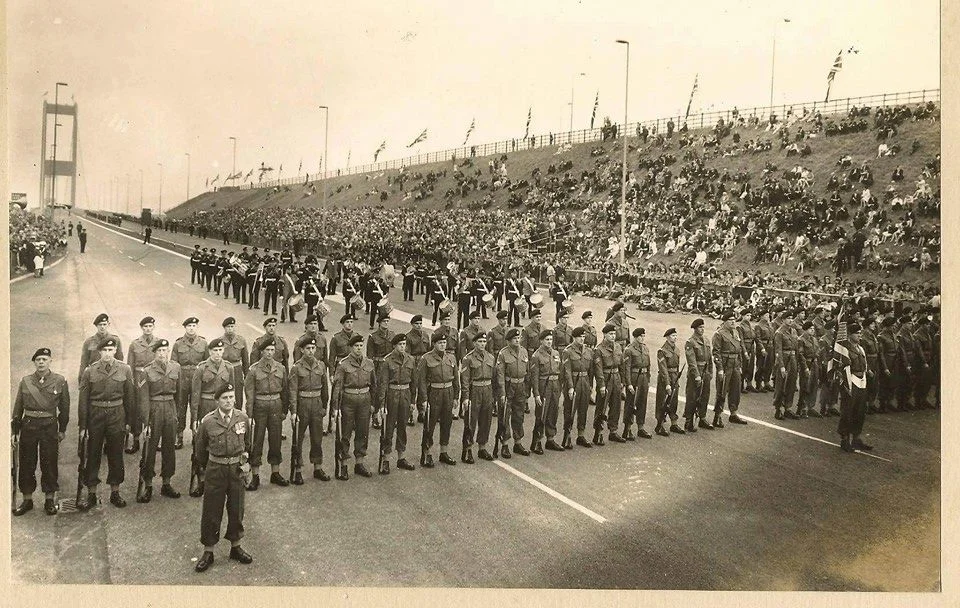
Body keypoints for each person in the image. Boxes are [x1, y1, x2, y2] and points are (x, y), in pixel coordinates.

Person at [193, 384, 254, 572]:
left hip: (236, 469)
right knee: (212, 510)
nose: (228, 401)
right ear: (217, 401)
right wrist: (209, 468)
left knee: (236, 508)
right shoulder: (208, 422)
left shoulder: (242, 418)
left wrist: (244, 464)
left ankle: (236, 547)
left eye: (231, 397)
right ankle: (208, 551)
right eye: (224, 398)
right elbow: (200, 450)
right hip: (216, 469)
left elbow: (248, 444)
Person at [78, 338, 136, 509]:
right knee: (93, 453)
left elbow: (130, 397)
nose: (108, 354)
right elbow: (83, 401)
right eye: (105, 350)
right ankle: (91, 494)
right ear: (99, 352)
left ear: (115, 350)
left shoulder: (125, 369)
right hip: (96, 414)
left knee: (116, 454)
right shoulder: (90, 371)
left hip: (117, 414)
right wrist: (83, 426)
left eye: (111, 350)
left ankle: (115, 492)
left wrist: (129, 422)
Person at [12, 347, 70, 516]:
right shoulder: (26, 381)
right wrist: (15, 431)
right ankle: (27, 499)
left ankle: (49, 499)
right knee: (27, 462)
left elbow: (64, 408)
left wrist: (63, 428)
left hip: (49, 425)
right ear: (34, 362)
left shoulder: (60, 381)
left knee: (49, 462)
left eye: (44, 359)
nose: (41, 363)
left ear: (50, 361)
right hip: (28, 425)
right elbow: (18, 407)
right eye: (38, 360)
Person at [136, 339, 182, 502]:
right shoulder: (146, 371)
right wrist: (146, 422)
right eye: (160, 351)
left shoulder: (175, 367)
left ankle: (166, 483)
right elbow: (143, 399)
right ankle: (148, 485)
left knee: (169, 448)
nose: (163, 354)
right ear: (155, 353)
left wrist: (177, 415)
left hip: (170, 408)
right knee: (150, 448)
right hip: (154, 409)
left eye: (165, 350)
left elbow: (179, 395)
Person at [243, 338, 289, 489]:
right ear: (262, 352)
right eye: (267, 350)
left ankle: (275, 473)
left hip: (276, 405)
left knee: (276, 439)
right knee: (257, 441)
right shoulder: (254, 369)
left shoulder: (281, 368)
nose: (270, 353)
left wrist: (284, 409)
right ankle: (255, 476)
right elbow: (249, 393)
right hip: (260, 406)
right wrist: (249, 415)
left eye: (272, 350)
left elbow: (285, 390)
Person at [331, 334, 377, 479]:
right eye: (356, 346)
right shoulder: (343, 364)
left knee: (363, 432)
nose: (359, 349)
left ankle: (359, 463)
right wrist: (336, 408)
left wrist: (374, 404)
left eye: (360, 346)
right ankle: (343, 464)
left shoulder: (369, 363)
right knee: (345, 433)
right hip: (348, 400)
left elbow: (374, 385)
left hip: (364, 399)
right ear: (350, 348)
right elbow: (337, 387)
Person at [288, 337, 330, 484]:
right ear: (302, 350)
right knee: (298, 439)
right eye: (308, 349)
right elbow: (292, 391)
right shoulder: (296, 367)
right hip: (302, 404)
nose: (311, 351)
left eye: (313, 348)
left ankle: (318, 467)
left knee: (317, 437)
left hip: (317, 403)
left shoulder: (321, 366)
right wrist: (293, 411)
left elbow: (325, 388)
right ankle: (298, 469)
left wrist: (324, 406)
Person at [416, 333, 460, 467]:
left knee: (447, 423)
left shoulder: (451, 357)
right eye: (440, 343)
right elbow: (421, 381)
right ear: (434, 344)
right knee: (430, 424)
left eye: (444, 343)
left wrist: (456, 397)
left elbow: (455, 378)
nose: (443, 345)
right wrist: (423, 399)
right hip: (433, 393)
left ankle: (444, 452)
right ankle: (427, 453)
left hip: (448, 392)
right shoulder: (426, 358)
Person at [378, 334, 417, 471]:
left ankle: (401, 457)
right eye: (400, 344)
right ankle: (386, 459)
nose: (402, 347)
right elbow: (383, 384)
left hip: (405, 394)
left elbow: (414, 383)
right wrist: (382, 405)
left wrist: (413, 401)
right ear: (394, 345)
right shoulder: (387, 361)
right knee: (388, 428)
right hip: (392, 395)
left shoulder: (410, 359)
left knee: (402, 427)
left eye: (404, 344)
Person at [172, 317, 209, 449]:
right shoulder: (178, 344)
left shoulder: (203, 343)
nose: (191, 328)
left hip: (197, 380)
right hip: (182, 380)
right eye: (189, 326)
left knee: (197, 407)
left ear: (197, 327)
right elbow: (174, 364)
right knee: (180, 407)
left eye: (194, 325)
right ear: (185, 328)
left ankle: (196, 434)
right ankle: (179, 435)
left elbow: (207, 364)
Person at [494, 328, 530, 458]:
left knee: (519, 415)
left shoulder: (524, 351)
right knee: (505, 415)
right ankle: (504, 444)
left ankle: (518, 442)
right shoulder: (503, 354)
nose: (517, 340)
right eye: (515, 339)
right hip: (509, 386)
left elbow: (528, 372)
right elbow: (500, 374)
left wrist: (527, 389)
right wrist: (502, 393)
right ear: (509, 341)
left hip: (521, 385)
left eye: (518, 338)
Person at [125, 316, 158, 454]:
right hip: (139, 379)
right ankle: (136, 440)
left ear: (153, 327)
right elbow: (130, 366)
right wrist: (132, 382)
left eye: (150, 326)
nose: (148, 329)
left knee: (153, 408)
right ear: (141, 328)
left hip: (153, 378)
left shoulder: (158, 342)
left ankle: (154, 441)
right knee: (137, 410)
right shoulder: (135, 344)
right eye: (145, 327)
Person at [192, 338, 244, 427]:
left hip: (222, 404)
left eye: (220, 350)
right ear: (210, 351)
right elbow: (195, 394)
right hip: (206, 404)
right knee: (205, 431)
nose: (218, 353)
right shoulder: (202, 368)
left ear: (223, 350)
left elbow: (232, 390)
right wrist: (194, 418)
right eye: (215, 350)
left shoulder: (228, 367)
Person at [837, 323, 872, 453]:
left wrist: (867, 371)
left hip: (861, 380)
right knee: (848, 411)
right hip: (851, 381)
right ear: (850, 335)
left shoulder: (860, 348)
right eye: (857, 333)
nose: (859, 335)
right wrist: (846, 384)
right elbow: (843, 368)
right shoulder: (845, 350)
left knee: (860, 411)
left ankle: (856, 438)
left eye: (860, 333)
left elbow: (864, 363)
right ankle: (845, 439)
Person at [529, 331, 563, 453]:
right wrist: (536, 394)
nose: (549, 342)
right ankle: (537, 441)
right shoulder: (536, 356)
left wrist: (560, 388)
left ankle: (550, 439)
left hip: (555, 385)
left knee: (553, 412)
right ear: (541, 341)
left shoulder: (556, 353)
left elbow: (560, 370)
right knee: (541, 414)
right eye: (547, 339)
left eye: (550, 339)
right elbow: (534, 377)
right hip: (544, 386)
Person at [562, 326, 595, 448]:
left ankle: (581, 435)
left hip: (584, 382)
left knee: (583, 409)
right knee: (570, 410)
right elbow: (567, 371)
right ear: (574, 338)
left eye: (583, 337)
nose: (582, 339)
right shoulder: (568, 351)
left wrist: (591, 385)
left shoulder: (588, 351)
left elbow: (591, 370)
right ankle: (568, 435)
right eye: (579, 337)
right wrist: (570, 387)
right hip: (574, 382)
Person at [712, 312, 747, 426]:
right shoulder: (719, 334)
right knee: (722, 391)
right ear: (725, 322)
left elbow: (739, 349)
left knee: (735, 390)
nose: (733, 322)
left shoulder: (735, 332)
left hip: (735, 364)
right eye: (730, 320)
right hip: (725, 365)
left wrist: (740, 365)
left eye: (734, 320)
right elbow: (716, 353)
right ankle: (718, 415)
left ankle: (733, 413)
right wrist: (720, 369)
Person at [593, 324, 626, 444]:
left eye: (614, 334)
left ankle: (613, 431)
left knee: (616, 405)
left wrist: (623, 381)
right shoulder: (599, 349)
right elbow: (598, 369)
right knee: (602, 406)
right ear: (605, 335)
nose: (613, 336)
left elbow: (622, 365)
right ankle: (598, 432)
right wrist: (601, 385)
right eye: (610, 334)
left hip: (616, 377)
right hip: (606, 378)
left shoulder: (618, 347)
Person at [623, 328, 652, 440]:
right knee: (631, 403)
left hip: (644, 378)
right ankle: (628, 428)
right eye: (640, 336)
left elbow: (648, 364)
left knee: (642, 402)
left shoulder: (645, 348)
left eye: (644, 336)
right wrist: (628, 384)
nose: (642, 338)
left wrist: (648, 378)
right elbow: (627, 368)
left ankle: (641, 427)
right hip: (634, 378)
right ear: (635, 337)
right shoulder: (629, 349)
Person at [78, 313, 124, 385]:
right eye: (100, 325)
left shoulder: (115, 340)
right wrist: (82, 381)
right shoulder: (89, 342)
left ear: (108, 324)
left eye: (104, 324)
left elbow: (119, 360)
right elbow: (84, 363)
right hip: (94, 376)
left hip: (112, 376)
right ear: (96, 326)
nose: (102, 327)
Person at [684, 319, 713, 432]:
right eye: (700, 327)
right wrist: (696, 375)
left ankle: (702, 417)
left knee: (705, 395)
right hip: (696, 372)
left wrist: (710, 372)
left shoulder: (706, 340)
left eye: (703, 327)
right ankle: (689, 420)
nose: (702, 329)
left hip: (705, 371)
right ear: (695, 328)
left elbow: (709, 359)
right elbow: (691, 361)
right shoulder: (690, 342)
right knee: (692, 396)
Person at [366, 314, 394, 429]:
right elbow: (369, 356)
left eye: (387, 321)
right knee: (377, 390)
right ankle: (375, 415)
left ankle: (388, 415)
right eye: (384, 321)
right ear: (379, 323)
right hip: (378, 366)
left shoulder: (392, 335)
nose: (386, 323)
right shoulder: (373, 337)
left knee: (389, 389)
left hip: (389, 366)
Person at [654, 328, 683, 437]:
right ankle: (660, 424)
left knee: (673, 401)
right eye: (672, 336)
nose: (675, 338)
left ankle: (674, 423)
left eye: (676, 335)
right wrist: (667, 383)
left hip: (675, 376)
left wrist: (676, 380)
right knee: (663, 401)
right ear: (667, 337)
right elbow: (663, 369)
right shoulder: (662, 351)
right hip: (665, 378)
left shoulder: (676, 350)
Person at [773, 310, 800, 420]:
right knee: (781, 384)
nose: (790, 320)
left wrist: (797, 363)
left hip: (792, 359)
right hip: (784, 358)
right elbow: (778, 350)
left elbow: (796, 348)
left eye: (792, 318)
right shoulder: (779, 332)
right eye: (788, 318)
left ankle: (788, 408)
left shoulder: (793, 331)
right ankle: (778, 409)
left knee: (791, 385)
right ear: (783, 320)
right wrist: (782, 366)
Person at [405, 315, 431, 424]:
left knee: (423, 387)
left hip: (423, 362)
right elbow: (407, 353)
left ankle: (421, 411)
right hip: (414, 362)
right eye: (416, 324)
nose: (419, 326)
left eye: (420, 323)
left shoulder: (425, 335)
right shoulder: (408, 336)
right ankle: (410, 413)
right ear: (412, 325)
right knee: (413, 387)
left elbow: (429, 350)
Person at [796, 321, 821, 418]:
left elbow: (817, 350)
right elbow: (801, 354)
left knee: (814, 385)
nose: (813, 330)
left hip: (814, 363)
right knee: (805, 386)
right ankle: (802, 408)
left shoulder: (814, 339)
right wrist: (805, 367)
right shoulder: (801, 340)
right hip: (806, 363)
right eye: (811, 329)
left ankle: (810, 406)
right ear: (805, 330)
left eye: (813, 329)